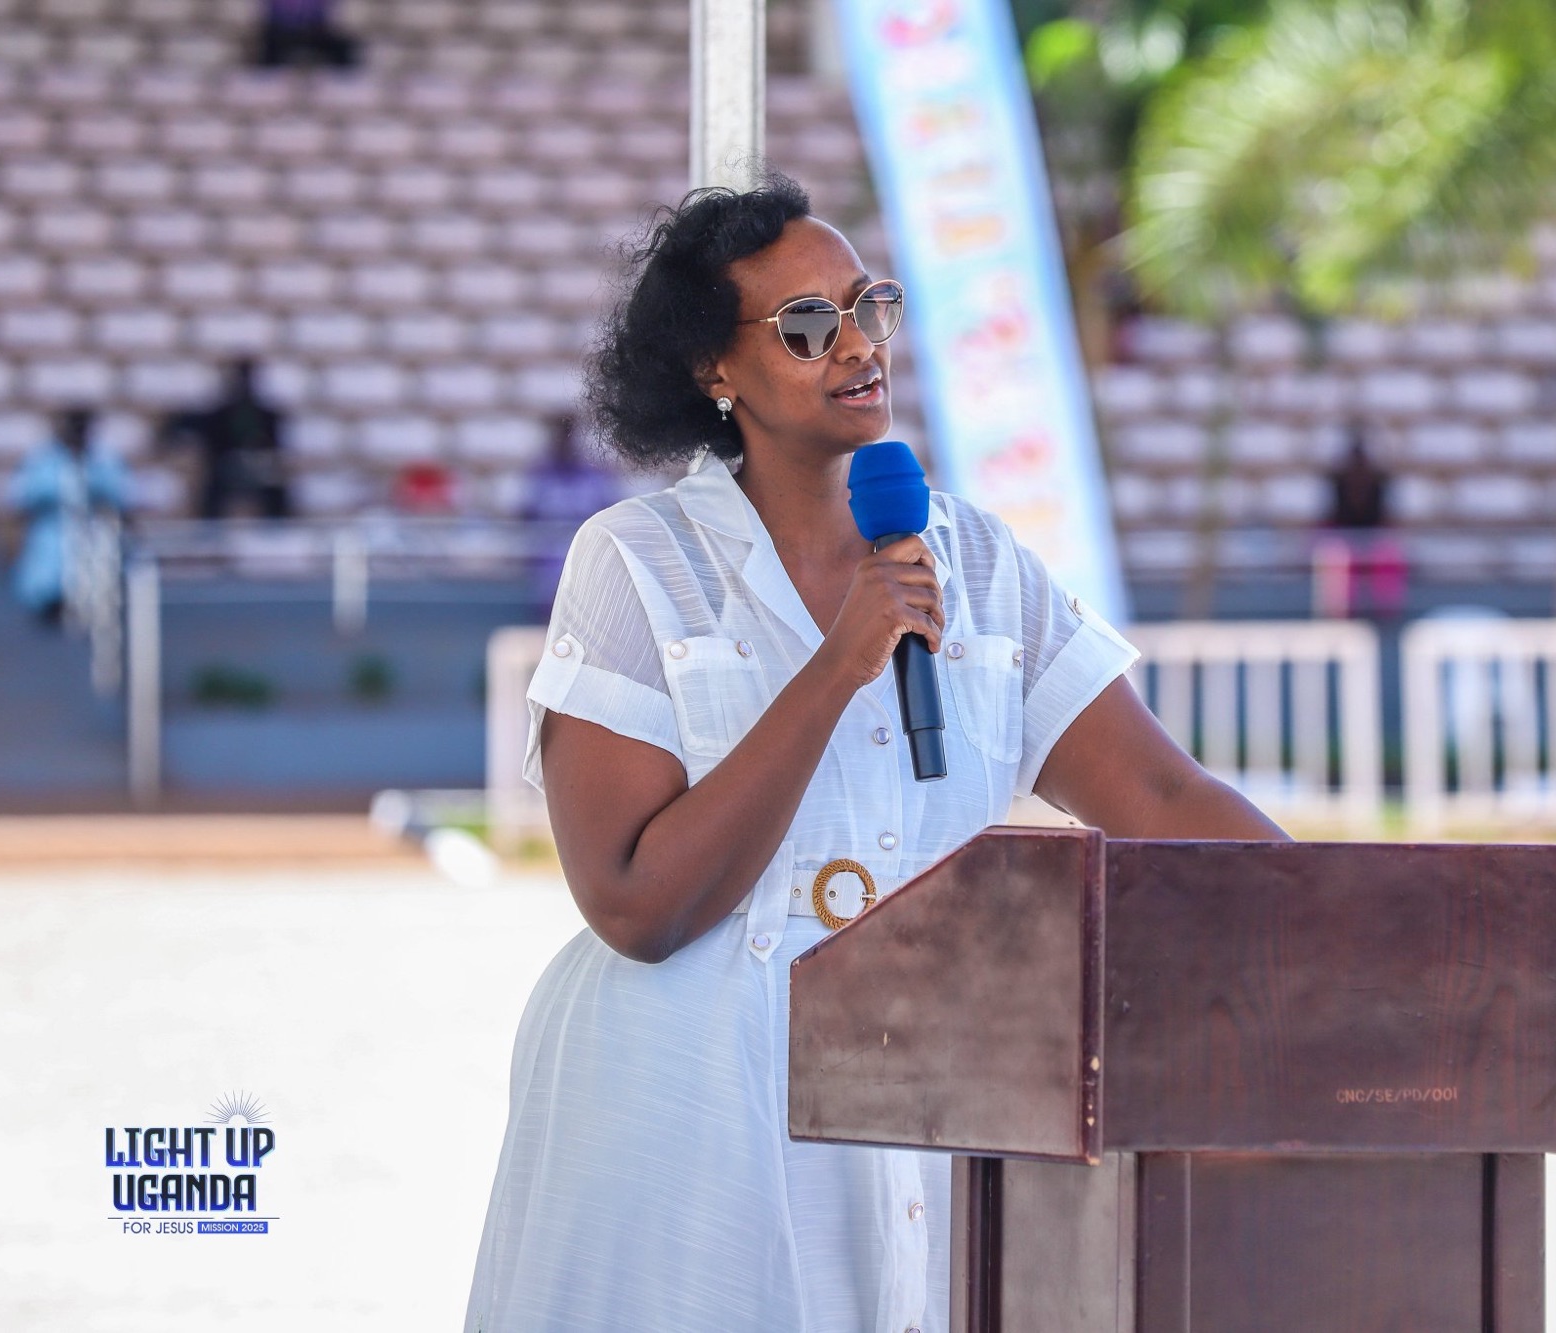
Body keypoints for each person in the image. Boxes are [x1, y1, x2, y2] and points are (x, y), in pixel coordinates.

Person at [463, 174, 1286, 1332]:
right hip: (685, 1112)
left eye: (869, 305)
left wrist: (1340, 915)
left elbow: (1156, 788)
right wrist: (839, 661)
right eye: (806, 325)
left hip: (924, 1087)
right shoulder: (638, 563)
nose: (856, 345)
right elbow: (635, 904)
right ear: (714, 369)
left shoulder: (973, 558)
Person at [8, 407, 131, 626]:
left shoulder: (104, 458)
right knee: (48, 575)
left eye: (80, 428)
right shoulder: (42, 458)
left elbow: (123, 496)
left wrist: (92, 485)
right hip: (51, 530)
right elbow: (21, 498)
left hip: (94, 530)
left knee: (99, 583)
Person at [160, 358, 291, 520]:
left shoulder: (268, 416)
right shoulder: (216, 415)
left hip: (259, 474)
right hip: (223, 473)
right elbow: (181, 426)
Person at [519, 414, 621, 616]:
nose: (564, 443)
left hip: (588, 550)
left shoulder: (595, 475)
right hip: (548, 553)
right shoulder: (539, 475)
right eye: (559, 437)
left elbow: (611, 515)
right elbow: (526, 517)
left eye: (568, 437)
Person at [1313, 425, 1404, 618]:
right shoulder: (1336, 482)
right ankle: (1339, 613)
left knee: (1387, 556)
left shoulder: (1380, 482)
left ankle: (1386, 614)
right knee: (1336, 558)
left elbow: (1387, 522)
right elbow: (1327, 520)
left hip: (1374, 542)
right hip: (1342, 542)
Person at [255, 0, 359, 68]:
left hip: (317, 33)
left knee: (343, 48)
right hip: (280, 33)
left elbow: (330, 17)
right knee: (264, 47)